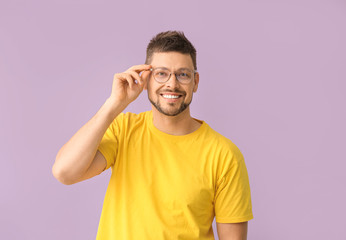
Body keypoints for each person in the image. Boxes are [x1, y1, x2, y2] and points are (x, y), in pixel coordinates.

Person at [52, 31, 253, 240]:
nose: (172, 84)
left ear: (196, 81)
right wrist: (114, 104)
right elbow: (64, 172)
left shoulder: (224, 154)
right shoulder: (124, 130)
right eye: (162, 73)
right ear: (146, 79)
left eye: (182, 74)